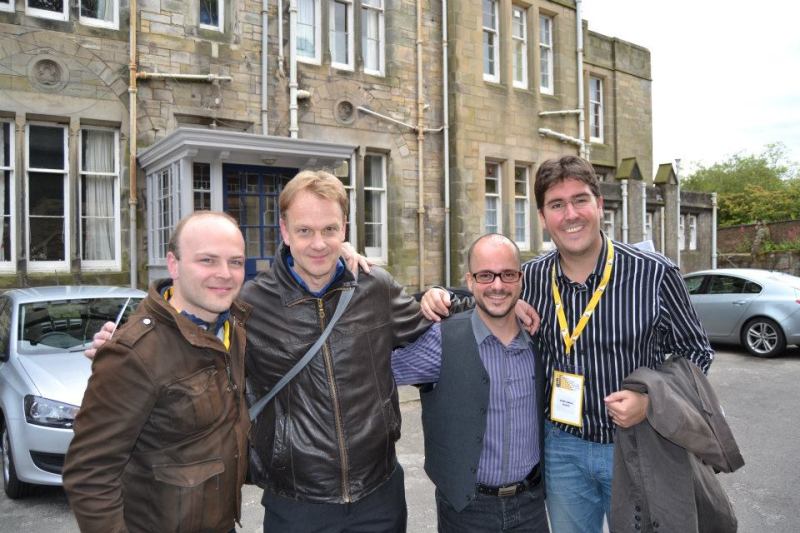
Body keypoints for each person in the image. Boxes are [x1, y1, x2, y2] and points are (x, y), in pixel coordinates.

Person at [421, 155, 714, 533]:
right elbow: (486, 293)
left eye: (580, 200)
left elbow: (696, 352)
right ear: (543, 217)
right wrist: (438, 294)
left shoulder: (655, 273)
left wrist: (652, 401)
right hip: (561, 451)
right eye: (557, 205)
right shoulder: (530, 278)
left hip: (637, 445)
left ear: (599, 205)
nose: (570, 214)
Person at [240, 170, 431, 533]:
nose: (318, 243)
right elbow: (193, 338)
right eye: (305, 231)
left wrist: (481, 300)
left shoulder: (375, 286)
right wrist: (125, 341)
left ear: (344, 228)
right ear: (284, 231)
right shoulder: (252, 302)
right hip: (296, 503)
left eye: (329, 230)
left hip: (378, 496)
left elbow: (438, 323)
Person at [63, 211, 251, 532]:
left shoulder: (234, 328)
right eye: (207, 260)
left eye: (235, 262)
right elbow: (90, 474)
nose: (225, 273)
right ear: (173, 264)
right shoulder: (133, 354)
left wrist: (345, 256)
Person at [392, 234, 548, 533]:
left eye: (508, 274)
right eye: (486, 275)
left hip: (530, 507)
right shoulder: (441, 341)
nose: (498, 285)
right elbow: (370, 368)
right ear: (470, 280)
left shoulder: (539, 338)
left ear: (520, 279)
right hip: (466, 510)